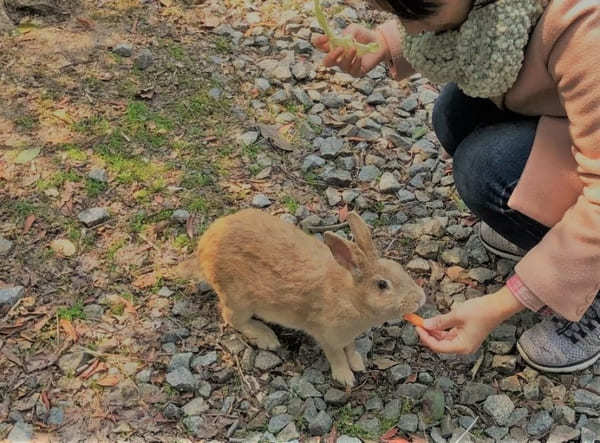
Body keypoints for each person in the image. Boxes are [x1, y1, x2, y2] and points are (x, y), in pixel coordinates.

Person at [312, 0, 600, 373]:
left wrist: (504, 301)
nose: (411, 30)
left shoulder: (586, 28)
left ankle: (588, 289)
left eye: (417, 13)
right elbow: (459, 28)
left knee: (484, 168)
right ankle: (544, 231)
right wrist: (384, 42)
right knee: (456, 111)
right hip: (567, 116)